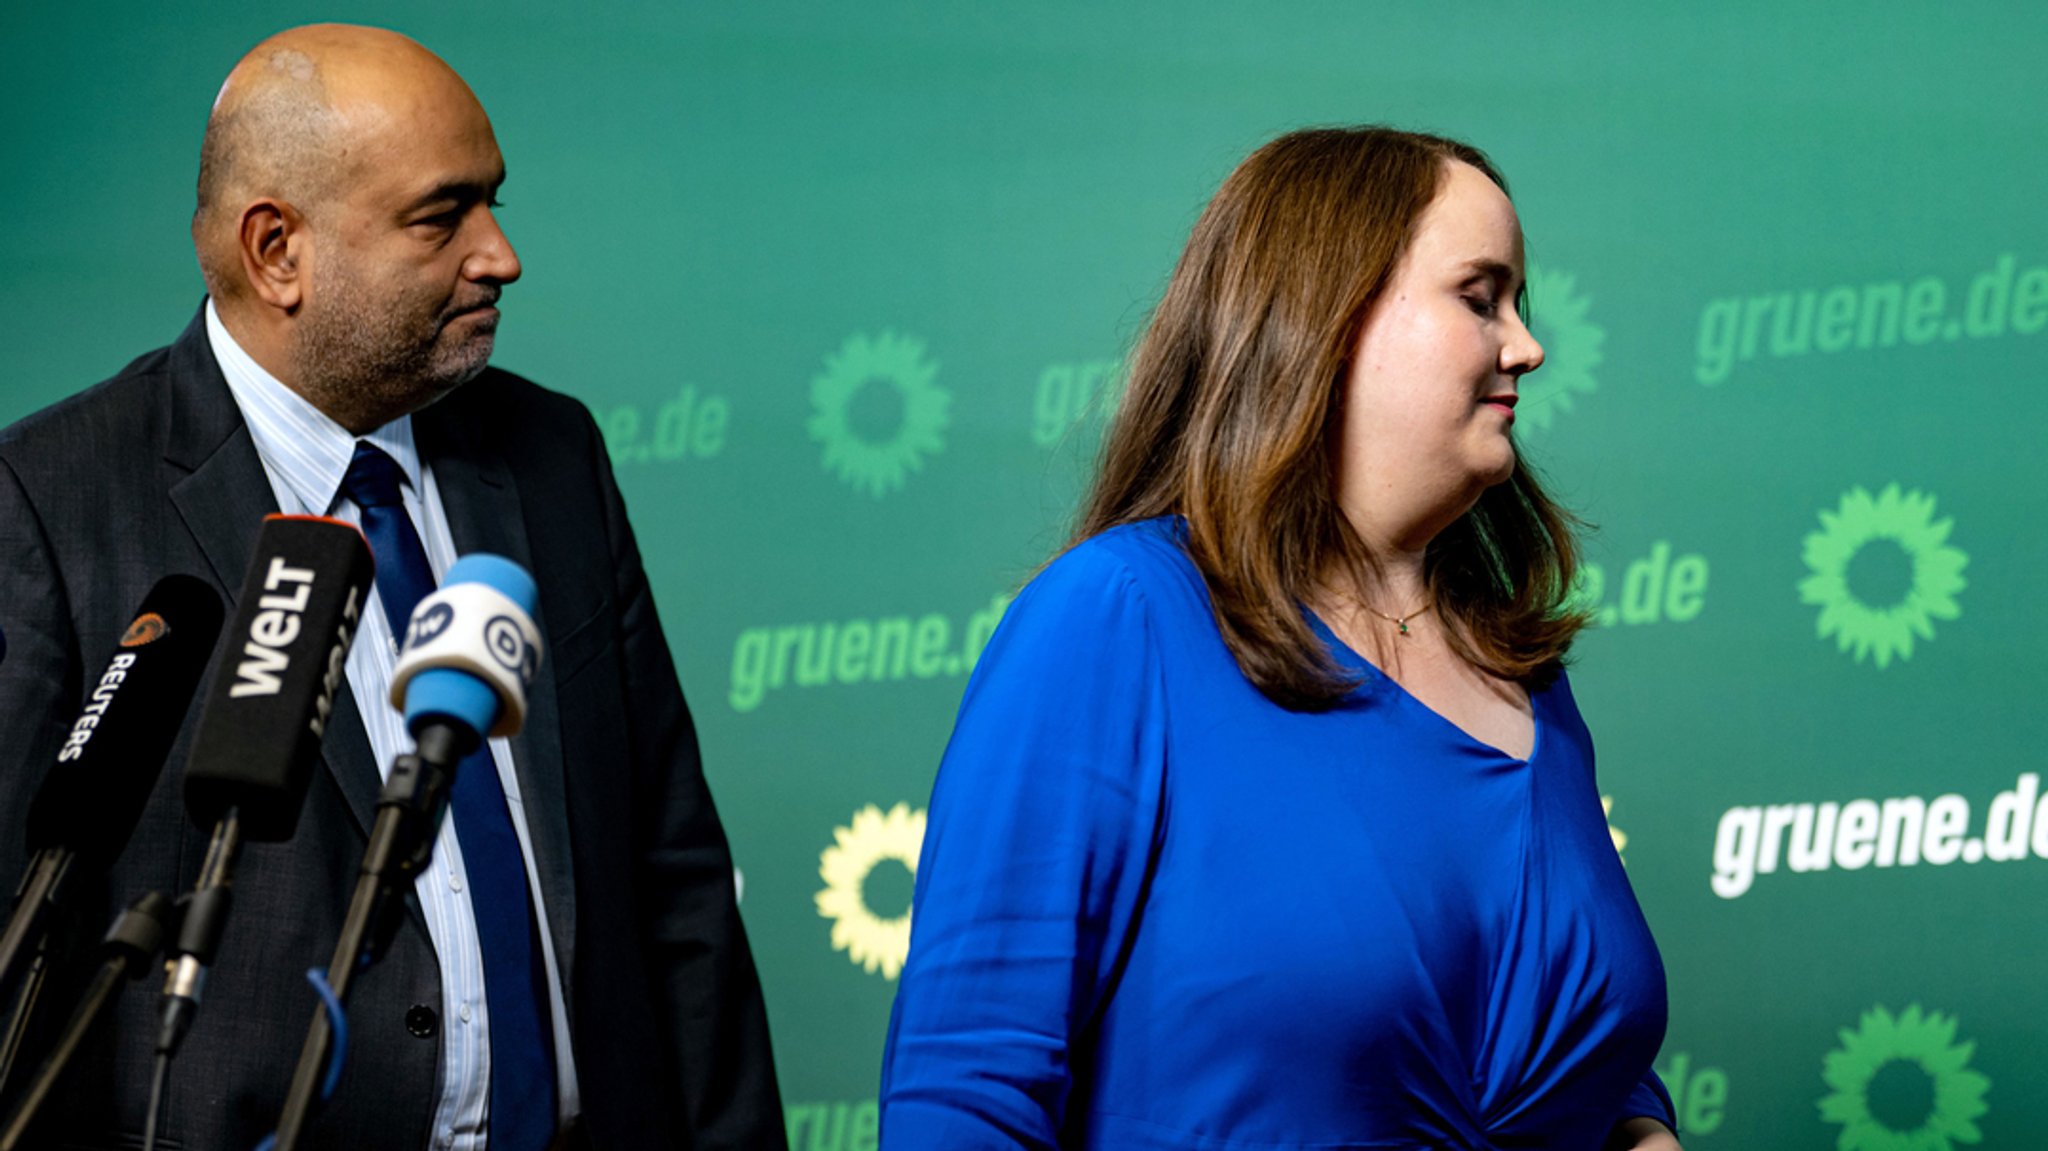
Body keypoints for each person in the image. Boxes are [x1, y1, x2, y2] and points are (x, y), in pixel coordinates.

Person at [0, 25, 784, 1150]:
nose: (499, 254)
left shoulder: (549, 456)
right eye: (442, 216)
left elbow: (675, 880)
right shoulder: (48, 502)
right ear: (277, 251)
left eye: (494, 203)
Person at [878, 128, 1682, 1150]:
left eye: (1518, 305)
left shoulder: (1524, 674)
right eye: (1479, 297)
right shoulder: (1118, 617)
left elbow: (1588, 1068)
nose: (1525, 346)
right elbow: (965, 1092)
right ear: (1330, 312)